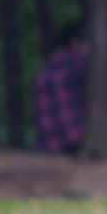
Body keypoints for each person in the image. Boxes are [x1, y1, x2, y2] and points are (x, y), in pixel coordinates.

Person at [33, 21, 88, 154]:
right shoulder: (78, 59)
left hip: (47, 142)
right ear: (75, 42)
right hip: (73, 137)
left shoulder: (51, 64)